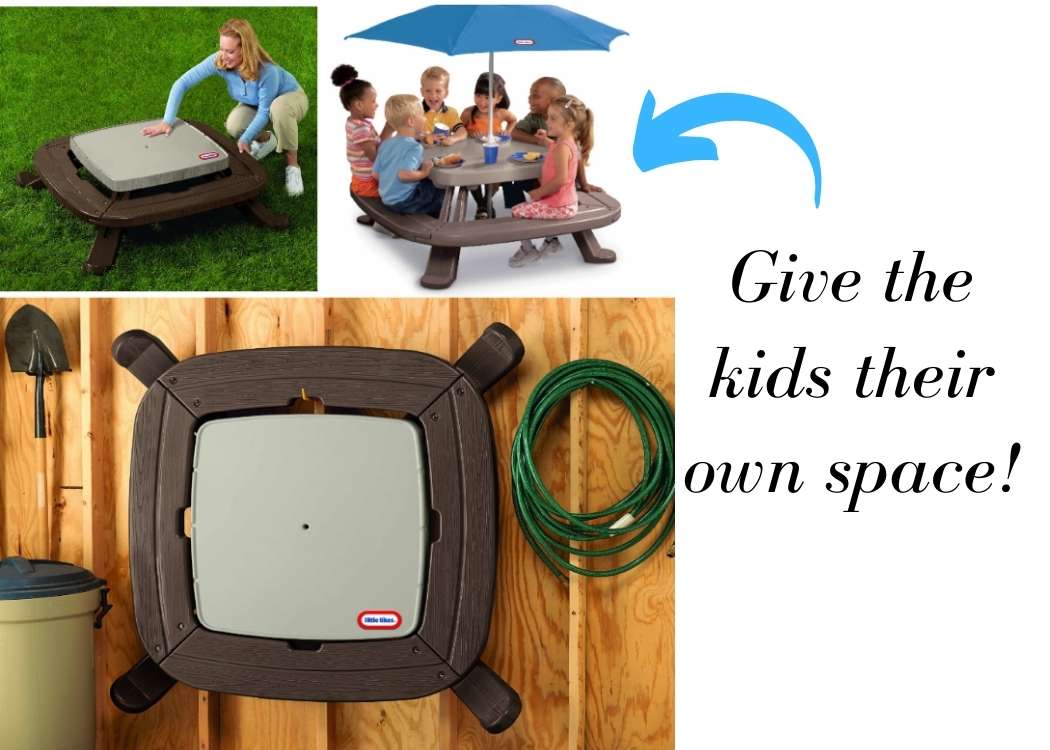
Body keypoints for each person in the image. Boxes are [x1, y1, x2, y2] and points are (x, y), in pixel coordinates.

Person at [142, 18, 309, 196]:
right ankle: (266, 140)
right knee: (234, 124)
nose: (223, 55)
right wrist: (167, 121)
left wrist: (245, 139)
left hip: (289, 100)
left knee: (278, 108)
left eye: (229, 51)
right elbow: (182, 83)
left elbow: (264, 112)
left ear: (245, 49)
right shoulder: (220, 61)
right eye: (221, 48)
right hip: (258, 104)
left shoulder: (267, 71)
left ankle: (293, 165)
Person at [508, 95, 593, 267]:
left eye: (553, 118)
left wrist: (538, 193)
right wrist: (546, 140)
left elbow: (561, 179)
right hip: (563, 201)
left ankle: (529, 250)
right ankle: (551, 242)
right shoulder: (565, 141)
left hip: (560, 206)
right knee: (528, 206)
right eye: (548, 117)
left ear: (569, 125)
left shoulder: (563, 147)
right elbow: (556, 148)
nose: (547, 122)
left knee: (517, 211)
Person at [373, 95, 445, 219]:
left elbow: (375, 174)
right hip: (404, 202)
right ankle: (434, 221)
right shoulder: (414, 147)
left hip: (386, 198)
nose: (424, 118)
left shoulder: (386, 144)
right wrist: (424, 171)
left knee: (425, 184)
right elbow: (404, 175)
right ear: (411, 121)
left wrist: (391, 179)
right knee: (438, 190)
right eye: (422, 115)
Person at [462, 73, 517, 218]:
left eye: (488, 97)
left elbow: (513, 120)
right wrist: (468, 134)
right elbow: (459, 130)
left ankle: (485, 203)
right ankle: (482, 204)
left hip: (494, 154)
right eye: (478, 95)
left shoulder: (501, 113)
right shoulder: (468, 113)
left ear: (498, 98)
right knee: (472, 181)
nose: (482, 101)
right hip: (473, 156)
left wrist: (507, 131)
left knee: (493, 179)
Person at [333, 64, 386, 199]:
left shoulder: (356, 123)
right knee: (398, 192)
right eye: (373, 101)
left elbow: (375, 146)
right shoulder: (360, 128)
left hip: (363, 179)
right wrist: (388, 129)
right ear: (359, 105)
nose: (377, 104)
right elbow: (375, 157)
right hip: (368, 184)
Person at [420, 66, 466, 145]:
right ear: (422, 92)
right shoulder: (416, 112)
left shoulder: (451, 112)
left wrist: (453, 138)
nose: (433, 95)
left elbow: (462, 131)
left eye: (438, 91)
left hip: (443, 155)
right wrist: (425, 137)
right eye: (428, 91)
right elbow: (407, 134)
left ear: (446, 93)